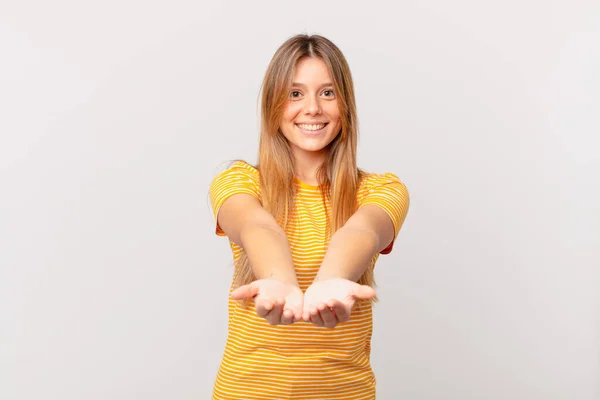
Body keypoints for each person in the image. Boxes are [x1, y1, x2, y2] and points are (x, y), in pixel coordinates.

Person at [208, 33, 410, 400]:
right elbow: (257, 225)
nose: (313, 108)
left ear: (345, 104)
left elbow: (361, 231)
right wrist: (280, 279)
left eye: (328, 93)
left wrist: (328, 281)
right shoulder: (239, 181)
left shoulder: (381, 190)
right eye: (295, 93)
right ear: (273, 104)